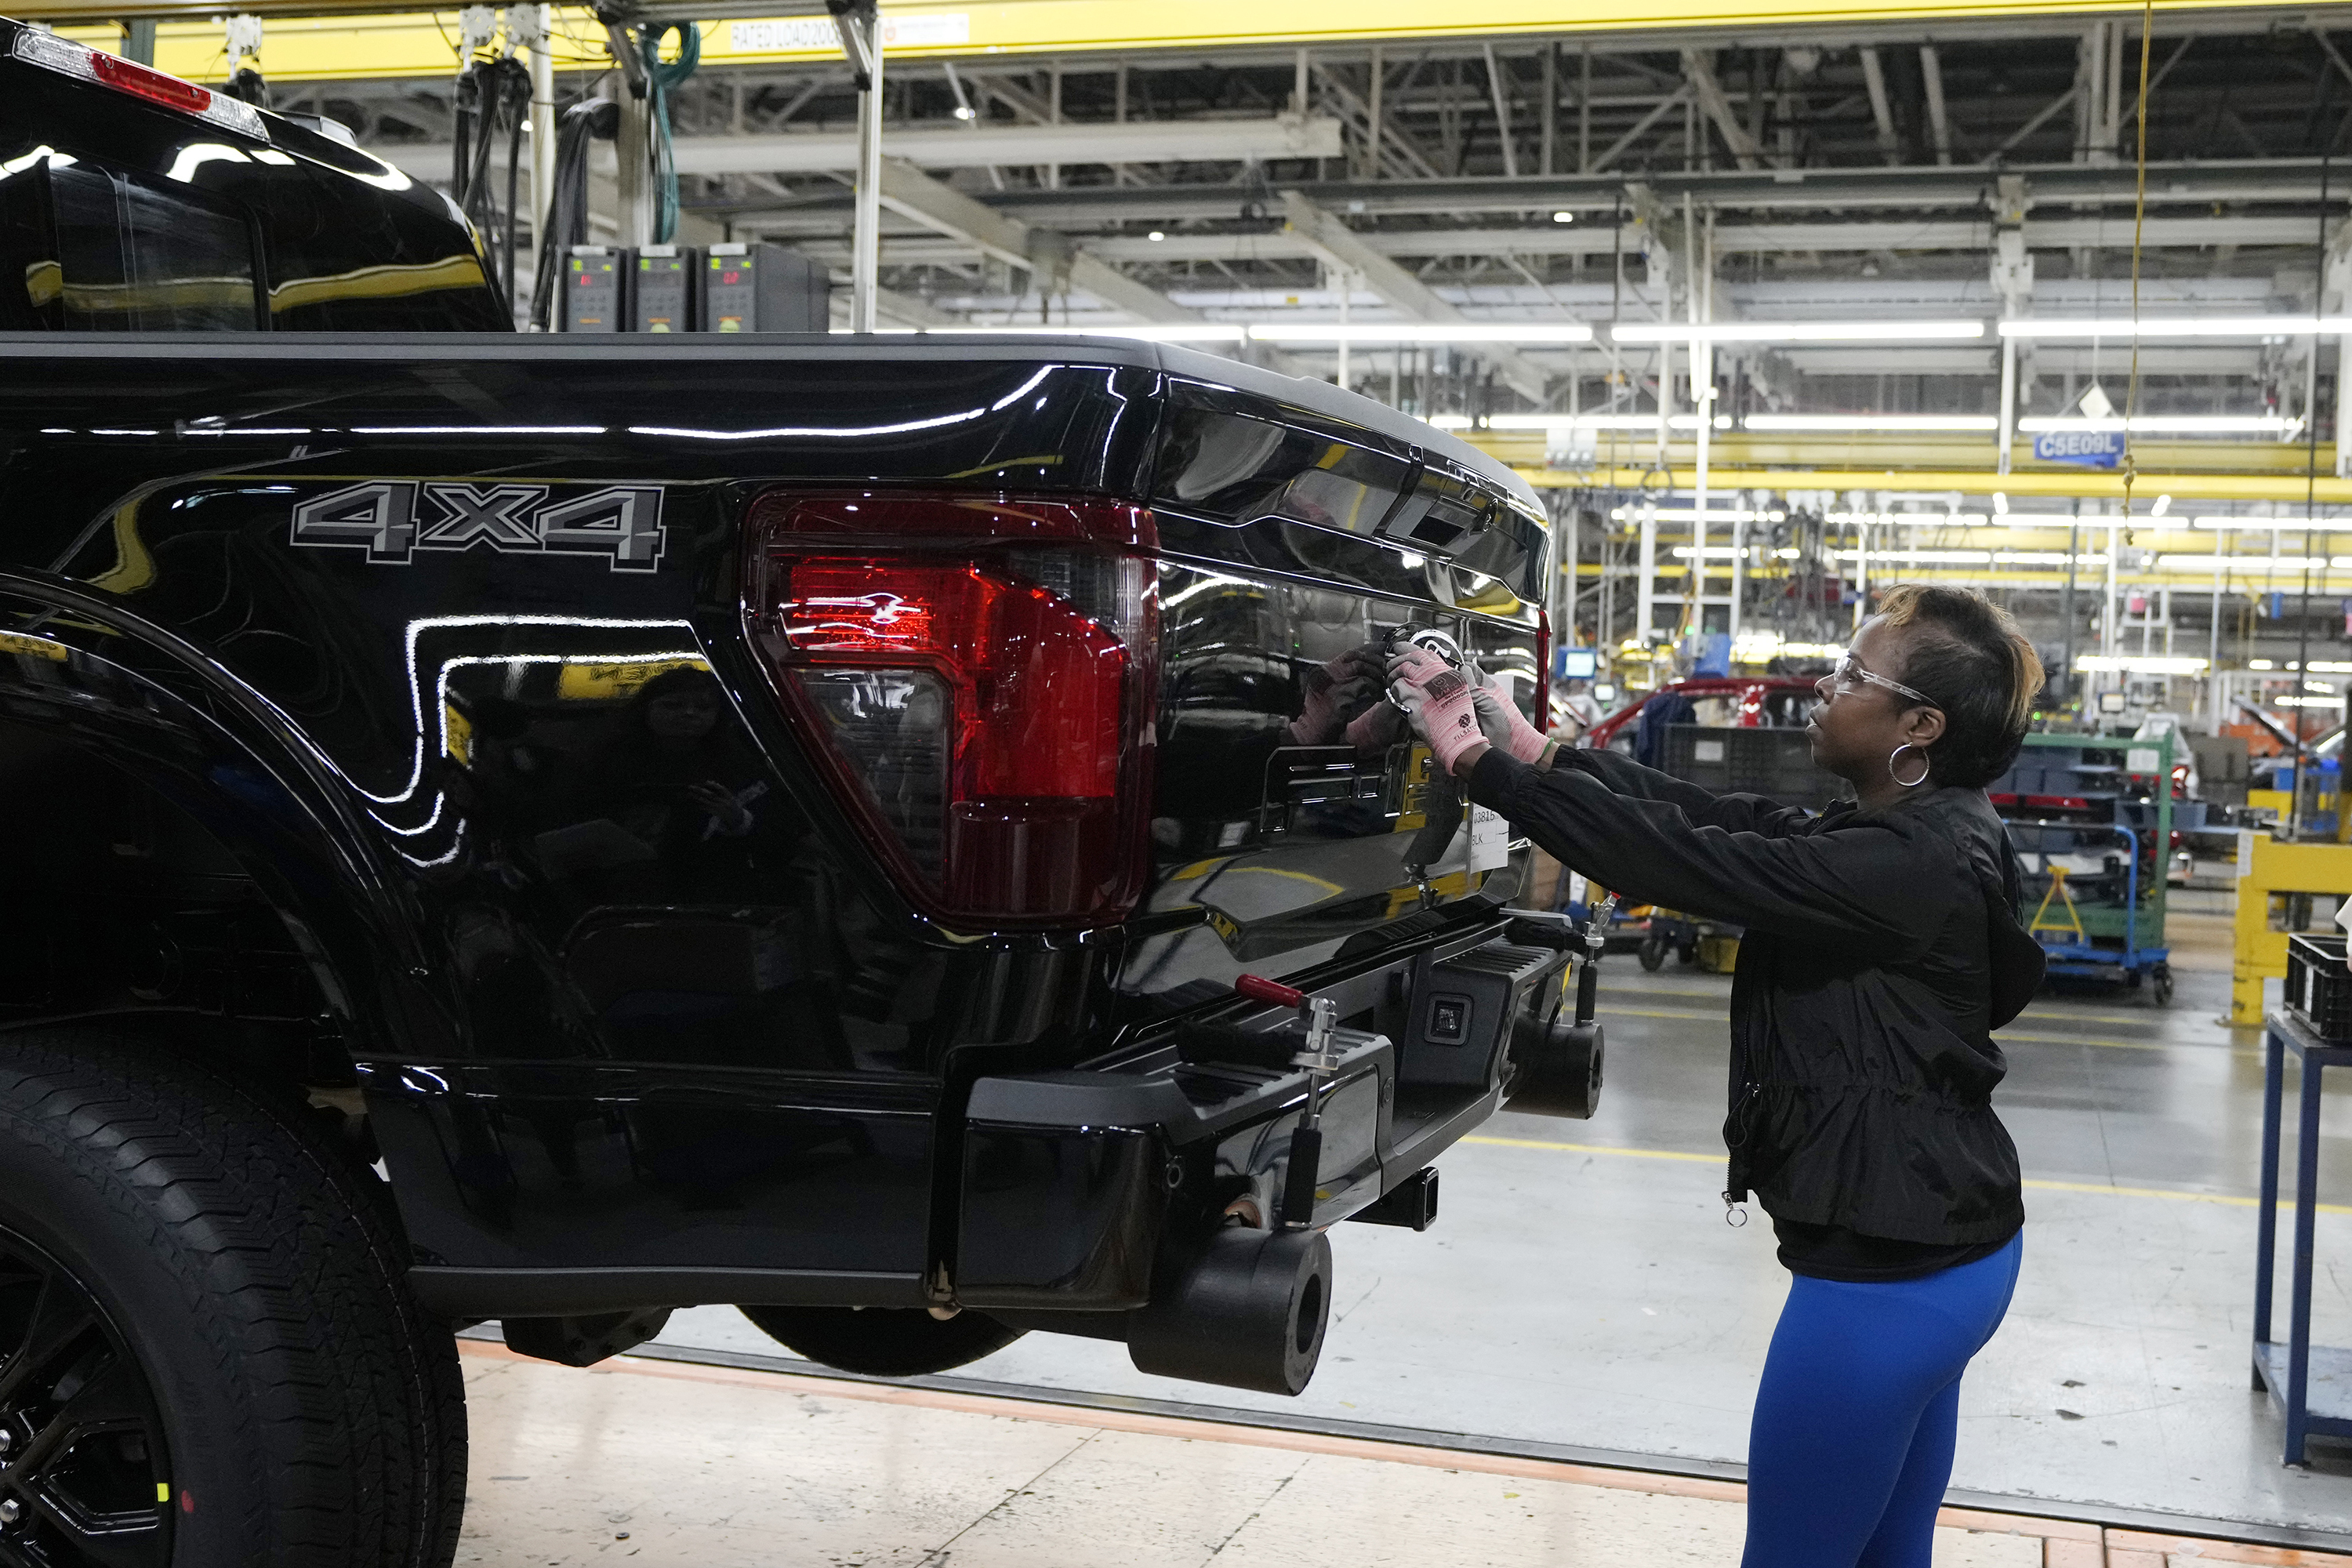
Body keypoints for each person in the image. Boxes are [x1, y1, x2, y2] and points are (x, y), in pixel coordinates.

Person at [1387, 585, 2048, 1568]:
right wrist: (1546, 755)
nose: (1824, 687)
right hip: (1951, 1247)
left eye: (1853, 675)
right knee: (1888, 1549)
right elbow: (1724, 817)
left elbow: (1683, 863)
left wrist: (1481, 765)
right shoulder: (1923, 828)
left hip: (1885, 1278)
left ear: (1921, 724)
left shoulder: (1910, 863)